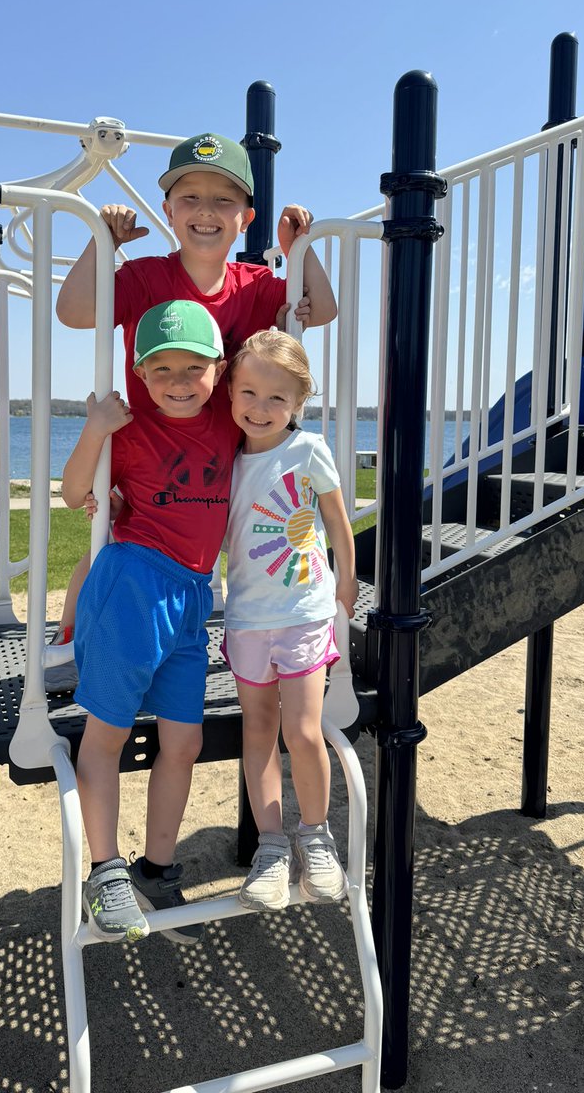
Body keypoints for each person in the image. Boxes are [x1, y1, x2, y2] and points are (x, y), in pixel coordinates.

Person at [46, 132, 336, 688]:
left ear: (245, 218)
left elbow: (320, 309)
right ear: (169, 212)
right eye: (190, 198)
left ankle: (227, 631)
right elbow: (75, 310)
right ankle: (69, 637)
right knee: (112, 539)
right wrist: (103, 243)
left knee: (208, 546)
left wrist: (301, 250)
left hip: (222, 447)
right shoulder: (145, 277)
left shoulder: (253, 286)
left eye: (223, 200)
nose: (206, 212)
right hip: (151, 445)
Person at [62, 299, 241, 945]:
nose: (175, 381)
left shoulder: (227, 420)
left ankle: (155, 869)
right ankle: (105, 870)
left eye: (191, 368)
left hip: (193, 598)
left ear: (217, 371)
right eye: (159, 368)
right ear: (139, 373)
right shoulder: (129, 426)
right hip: (134, 587)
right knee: (105, 736)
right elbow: (75, 492)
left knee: (184, 743)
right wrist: (95, 429)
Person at [222, 330, 358, 911]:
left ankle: (316, 838)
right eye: (249, 392)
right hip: (248, 618)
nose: (260, 407)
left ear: (299, 402)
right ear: (229, 392)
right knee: (257, 733)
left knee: (302, 733)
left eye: (277, 399)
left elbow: (336, 518)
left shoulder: (307, 450)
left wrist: (346, 578)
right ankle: (272, 847)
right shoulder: (223, 458)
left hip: (303, 612)